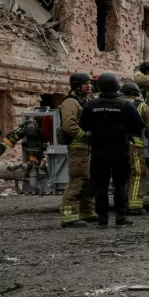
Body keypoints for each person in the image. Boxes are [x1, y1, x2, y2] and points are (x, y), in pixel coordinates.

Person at [79, 73, 144, 227]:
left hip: (99, 152)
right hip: (121, 151)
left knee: (101, 186)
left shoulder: (91, 105)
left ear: (99, 86)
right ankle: (121, 218)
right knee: (121, 185)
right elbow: (139, 126)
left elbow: (83, 126)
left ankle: (102, 219)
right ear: (117, 86)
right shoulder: (126, 105)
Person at [59, 73, 98, 228]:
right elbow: (69, 125)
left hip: (89, 147)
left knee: (89, 181)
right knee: (78, 180)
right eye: (84, 84)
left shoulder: (86, 100)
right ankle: (69, 216)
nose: (88, 86)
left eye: (89, 83)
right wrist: (84, 135)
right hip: (78, 146)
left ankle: (87, 212)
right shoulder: (70, 102)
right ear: (76, 86)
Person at [121, 82, 149, 216]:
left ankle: (121, 203)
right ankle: (135, 205)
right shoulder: (141, 106)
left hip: (112, 145)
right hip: (133, 145)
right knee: (137, 174)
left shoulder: (114, 104)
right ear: (136, 93)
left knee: (120, 175)